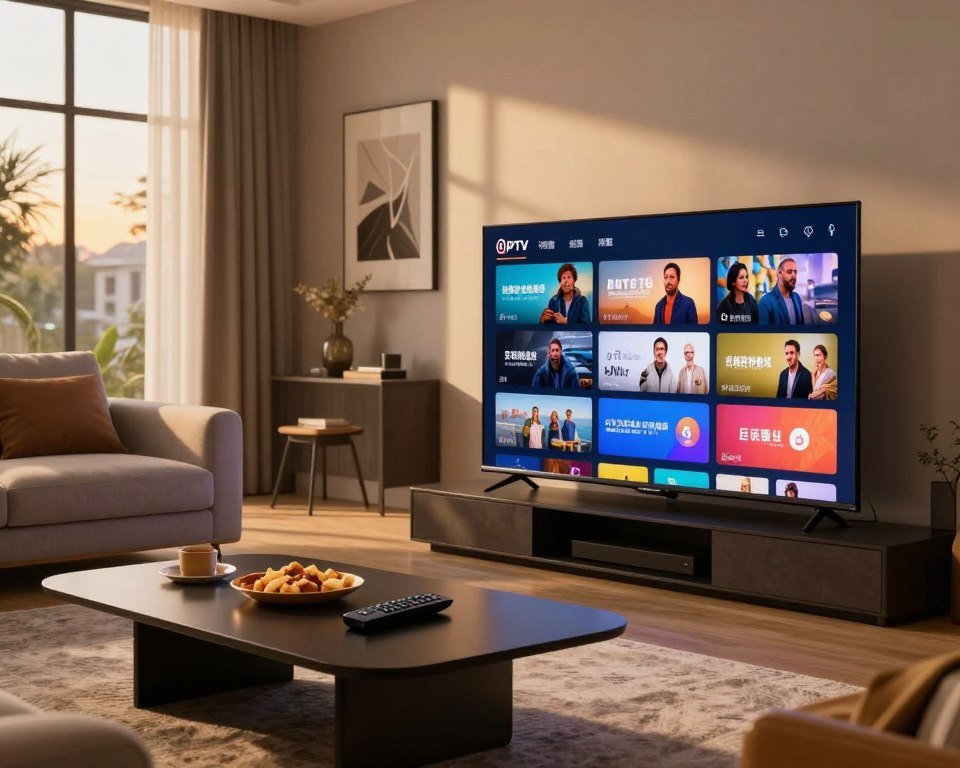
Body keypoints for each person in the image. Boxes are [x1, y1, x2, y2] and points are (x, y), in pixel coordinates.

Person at [758, 257, 816, 325]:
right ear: (779, 273)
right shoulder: (766, 301)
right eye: (789, 272)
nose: (794, 275)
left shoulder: (797, 297)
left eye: (795, 272)